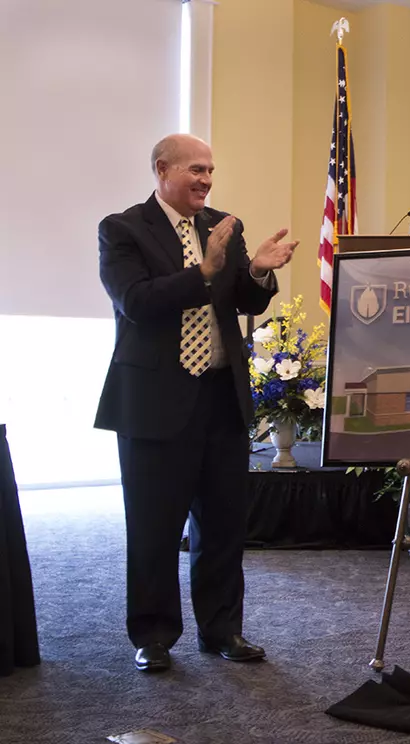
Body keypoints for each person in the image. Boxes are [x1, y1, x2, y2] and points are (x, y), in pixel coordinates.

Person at [95, 134, 298, 672]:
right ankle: (154, 636)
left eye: (211, 170)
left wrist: (256, 270)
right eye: (196, 170)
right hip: (154, 400)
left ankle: (222, 630)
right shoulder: (122, 230)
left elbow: (245, 301)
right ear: (163, 170)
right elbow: (136, 302)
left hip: (219, 396)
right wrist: (203, 273)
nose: (206, 180)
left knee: (224, 523)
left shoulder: (223, 226)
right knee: (153, 525)